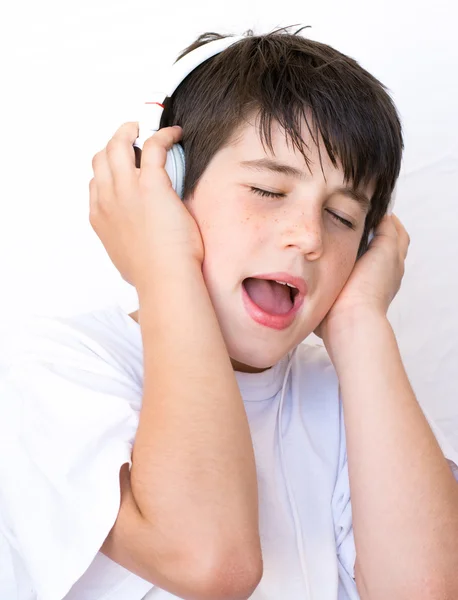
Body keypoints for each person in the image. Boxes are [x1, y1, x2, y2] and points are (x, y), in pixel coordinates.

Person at [1, 26, 457, 600]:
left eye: (343, 218)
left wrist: (362, 319)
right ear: (166, 185)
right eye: (268, 190)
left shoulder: (358, 399)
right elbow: (210, 563)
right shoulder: (49, 369)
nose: (309, 237)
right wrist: (163, 264)